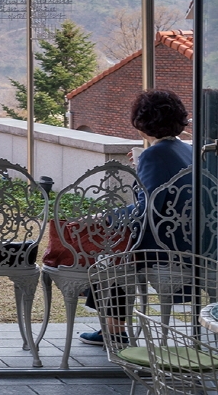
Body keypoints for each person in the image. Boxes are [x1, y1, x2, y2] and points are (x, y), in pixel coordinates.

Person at [78, 89, 193, 346]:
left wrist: (105, 217)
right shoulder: (186, 150)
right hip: (189, 242)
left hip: (165, 249)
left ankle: (113, 330)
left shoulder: (154, 154)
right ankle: (113, 327)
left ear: (141, 122)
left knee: (113, 254)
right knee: (119, 250)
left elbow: (146, 210)